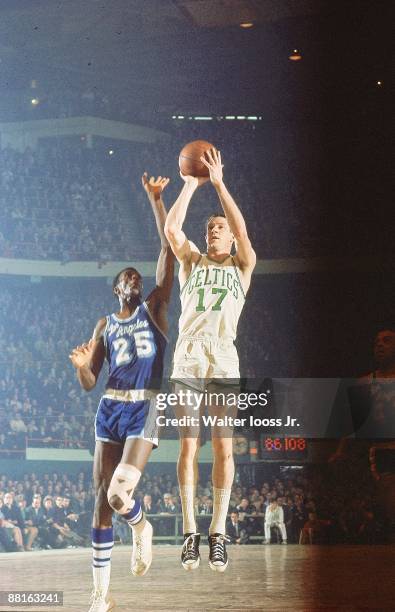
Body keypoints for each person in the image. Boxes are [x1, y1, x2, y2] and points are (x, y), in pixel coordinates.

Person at [70, 174, 174, 612]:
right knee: (100, 502)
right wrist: (80, 368)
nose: (135, 278)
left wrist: (156, 200)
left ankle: (142, 526)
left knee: (118, 495)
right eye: (127, 277)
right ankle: (100, 597)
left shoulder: (155, 307)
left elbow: (168, 251)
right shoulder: (104, 325)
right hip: (109, 406)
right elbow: (91, 382)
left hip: (146, 406)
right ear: (117, 287)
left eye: (138, 275)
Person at [164, 148, 256, 572]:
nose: (214, 231)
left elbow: (239, 224)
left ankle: (218, 532)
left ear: (231, 236)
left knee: (223, 447)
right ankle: (189, 533)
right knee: (187, 447)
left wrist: (218, 184)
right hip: (188, 358)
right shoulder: (191, 262)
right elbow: (172, 227)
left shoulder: (242, 265)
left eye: (220, 227)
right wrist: (189, 184)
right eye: (210, 228)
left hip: (223, 360)